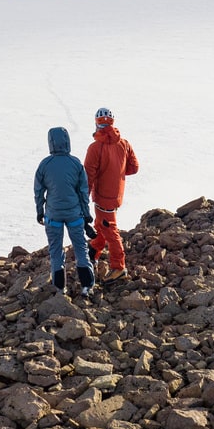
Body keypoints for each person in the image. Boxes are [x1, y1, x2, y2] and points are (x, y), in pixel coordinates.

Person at [34, 126, 95, 297]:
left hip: (53, 215)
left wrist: (40, 212)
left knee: (55, 251)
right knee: (80, 248)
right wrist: (86, 213)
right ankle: (86, 286)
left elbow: (39, 192)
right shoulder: (76, 163)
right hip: (74, 214)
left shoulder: (44, 165)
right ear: (67, 141)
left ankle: (60, 288)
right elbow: (83, 191)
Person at [84, 106, 139, 283]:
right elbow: (134, 167)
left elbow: (88, 175)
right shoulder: (124, 144)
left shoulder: (95, 147)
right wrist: (118, 174)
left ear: (96, 123)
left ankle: (118, 267)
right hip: (117, 195)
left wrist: (84, 196)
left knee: (110, 229)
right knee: (102, 224)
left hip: (102, 196)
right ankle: (93, 251)